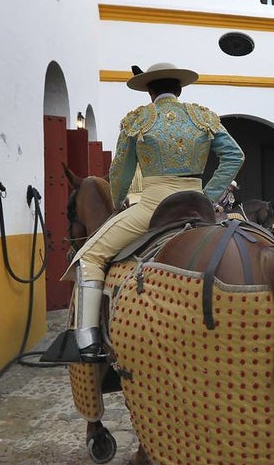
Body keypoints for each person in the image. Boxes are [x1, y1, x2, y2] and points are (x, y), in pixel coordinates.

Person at [55, 63, 244, 363]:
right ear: (180, 90)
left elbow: (120, 172)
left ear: (149, 92)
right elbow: (235, 155)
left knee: (89, 256)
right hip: (198, 206)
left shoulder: (138, 120)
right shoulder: (203, 117)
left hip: (152, 208)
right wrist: (205, 197)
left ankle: (87, 341)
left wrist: (117, 205)